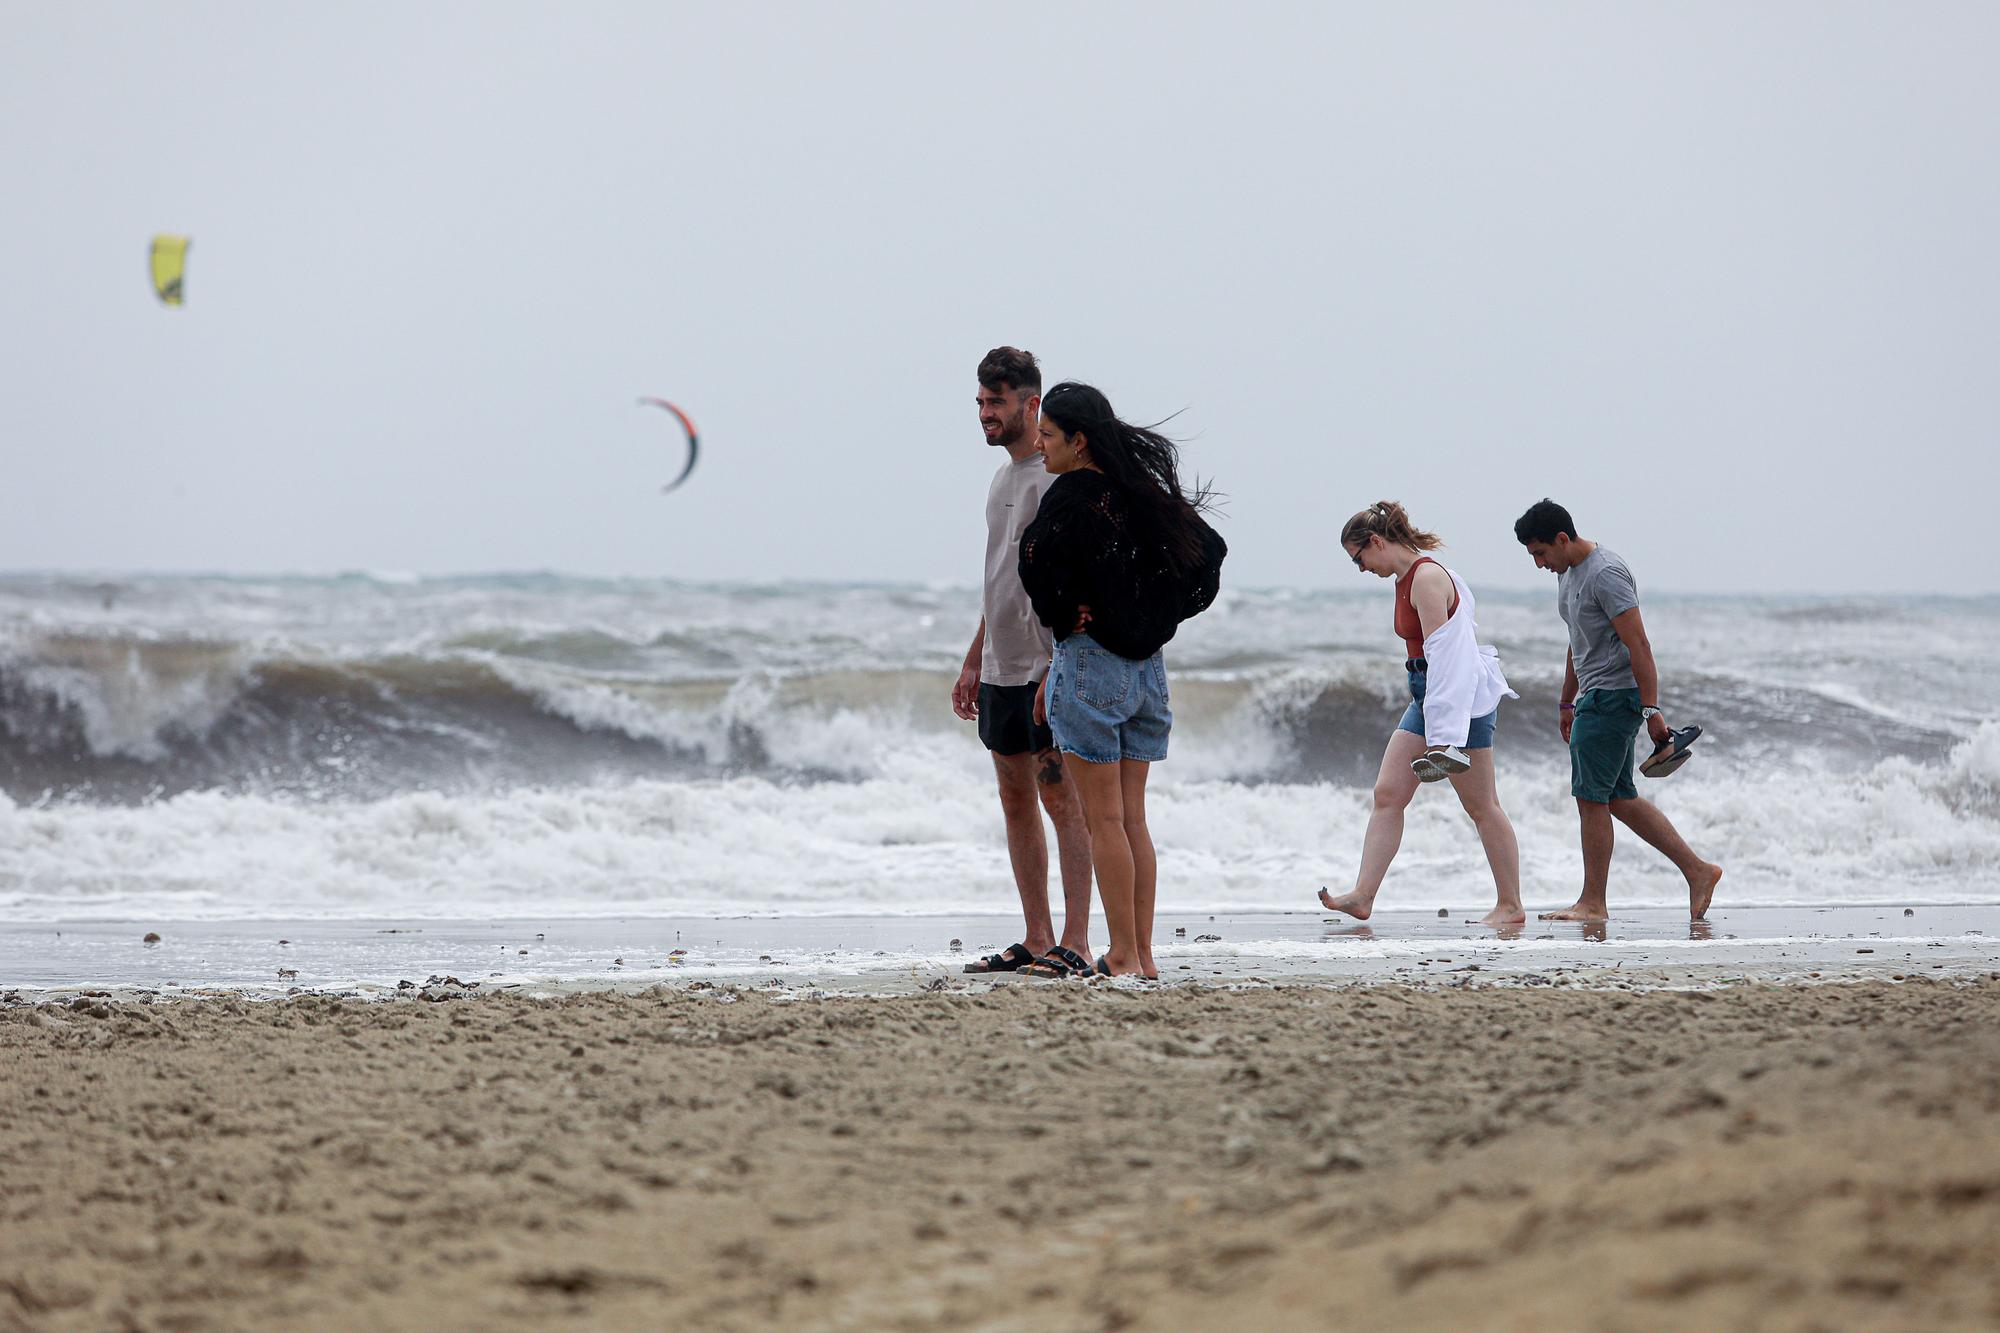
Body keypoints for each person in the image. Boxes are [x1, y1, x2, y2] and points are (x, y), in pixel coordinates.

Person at [1017, 382, 1225, 979]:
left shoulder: (1073, 492)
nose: (1040, 443)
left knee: (1103, 822)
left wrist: (1069, 615)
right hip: (1147, 673)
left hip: (1090, 666)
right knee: (1133, 820)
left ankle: (1123, 953)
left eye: (1049, 434)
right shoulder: (1140, 494)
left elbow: (1033, 557)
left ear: (1078, 441)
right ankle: (1145, 954)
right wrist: (1152, 618)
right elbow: (1208, 554)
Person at [953, 348, 1094, 975]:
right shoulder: (1003, 478)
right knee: (1015, 800)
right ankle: (1036, 936)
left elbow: (1078, 583)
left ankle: (1077, 941)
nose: (984, 413)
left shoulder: (1057, 475)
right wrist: (973, 657)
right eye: (980, 401)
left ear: (1030, 405)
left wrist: (1059, 664)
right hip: (1001, 665)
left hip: (1048, 665)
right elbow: (1001, 580)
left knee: (1062, 799)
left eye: (996, 402)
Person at [1318, 502, 1526, 927]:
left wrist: (1444, 733)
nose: (1360, 569)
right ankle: (1363, 895)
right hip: (1427, 696)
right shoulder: (1405, 578)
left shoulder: (1427, 579)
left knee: (1482, 805)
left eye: (1359, 558)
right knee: (1388, 795)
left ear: (1376, 542)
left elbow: (1448, 661)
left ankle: (1511, 905)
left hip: (1458, 701)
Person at [1514, 498, 1723, 921]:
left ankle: (1593, 903)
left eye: (1540, 553)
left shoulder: (1606, 573)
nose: (1538, 563)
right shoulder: (1568, 574)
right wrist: (1565, 699)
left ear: (1561, 538)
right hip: (1592, 696)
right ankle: (1698, 871)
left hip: (1613, 697)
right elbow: (1578, 641)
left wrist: (1651, 710)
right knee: (1619, 798)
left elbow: (1639, 644)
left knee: (1590, 799)